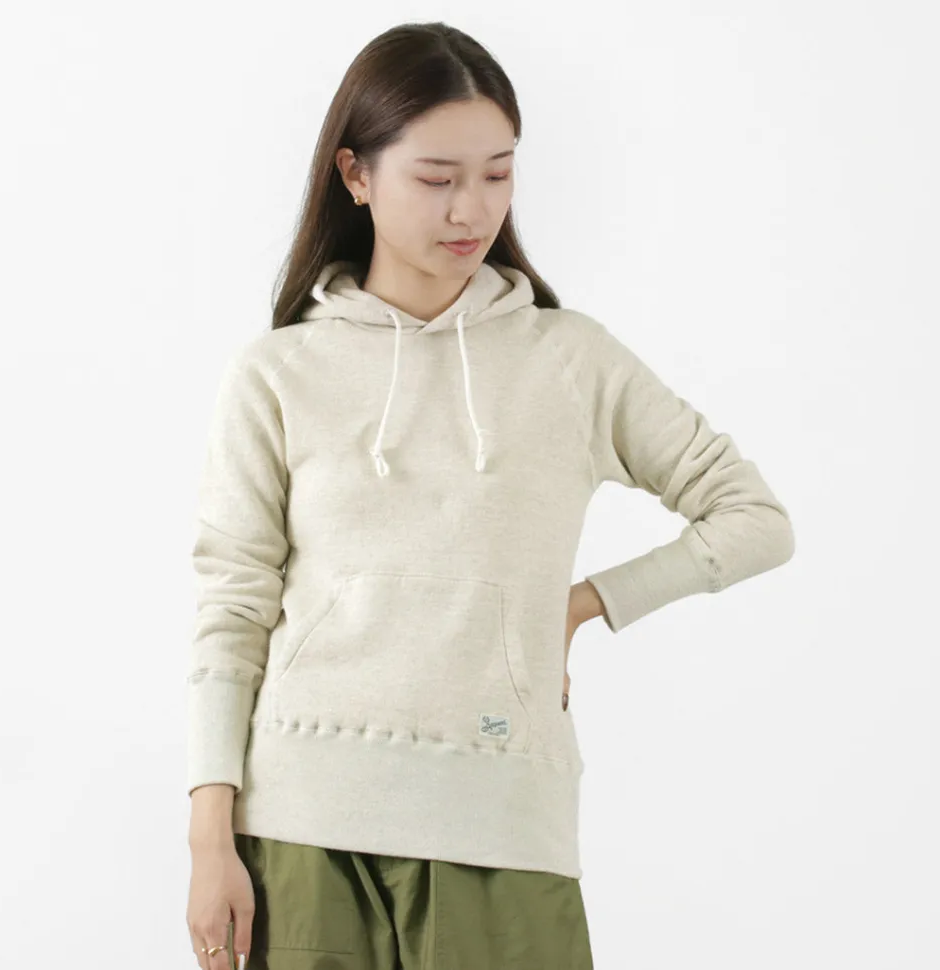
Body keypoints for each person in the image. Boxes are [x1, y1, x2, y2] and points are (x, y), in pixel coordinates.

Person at [185, 20, 795, 970]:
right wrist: (209, 837)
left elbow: (755, 519)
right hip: (299, 826)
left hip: (504, 827)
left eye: (498, 173)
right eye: (437, 178)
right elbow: (232, 606)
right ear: (355, 174)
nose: (472, 209)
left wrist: (583, 605)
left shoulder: (571, 361)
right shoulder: (278, 375)